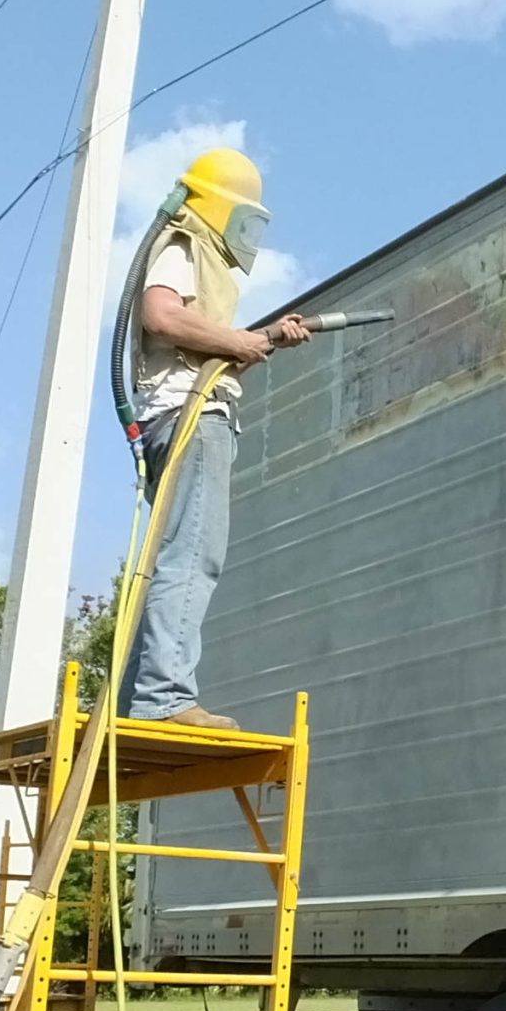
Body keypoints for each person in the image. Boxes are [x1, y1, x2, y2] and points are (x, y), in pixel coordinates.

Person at [121, 146, 309, 726]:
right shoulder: (183, 246)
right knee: (193, 554)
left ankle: (140, 700)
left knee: (170, 557)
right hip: (190, 420)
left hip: (179, 416)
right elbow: (163, 317)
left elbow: (205, 353)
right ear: (217, 206)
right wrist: (237, 342)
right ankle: (164, 699)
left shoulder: (196, 254)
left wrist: (262, 339)